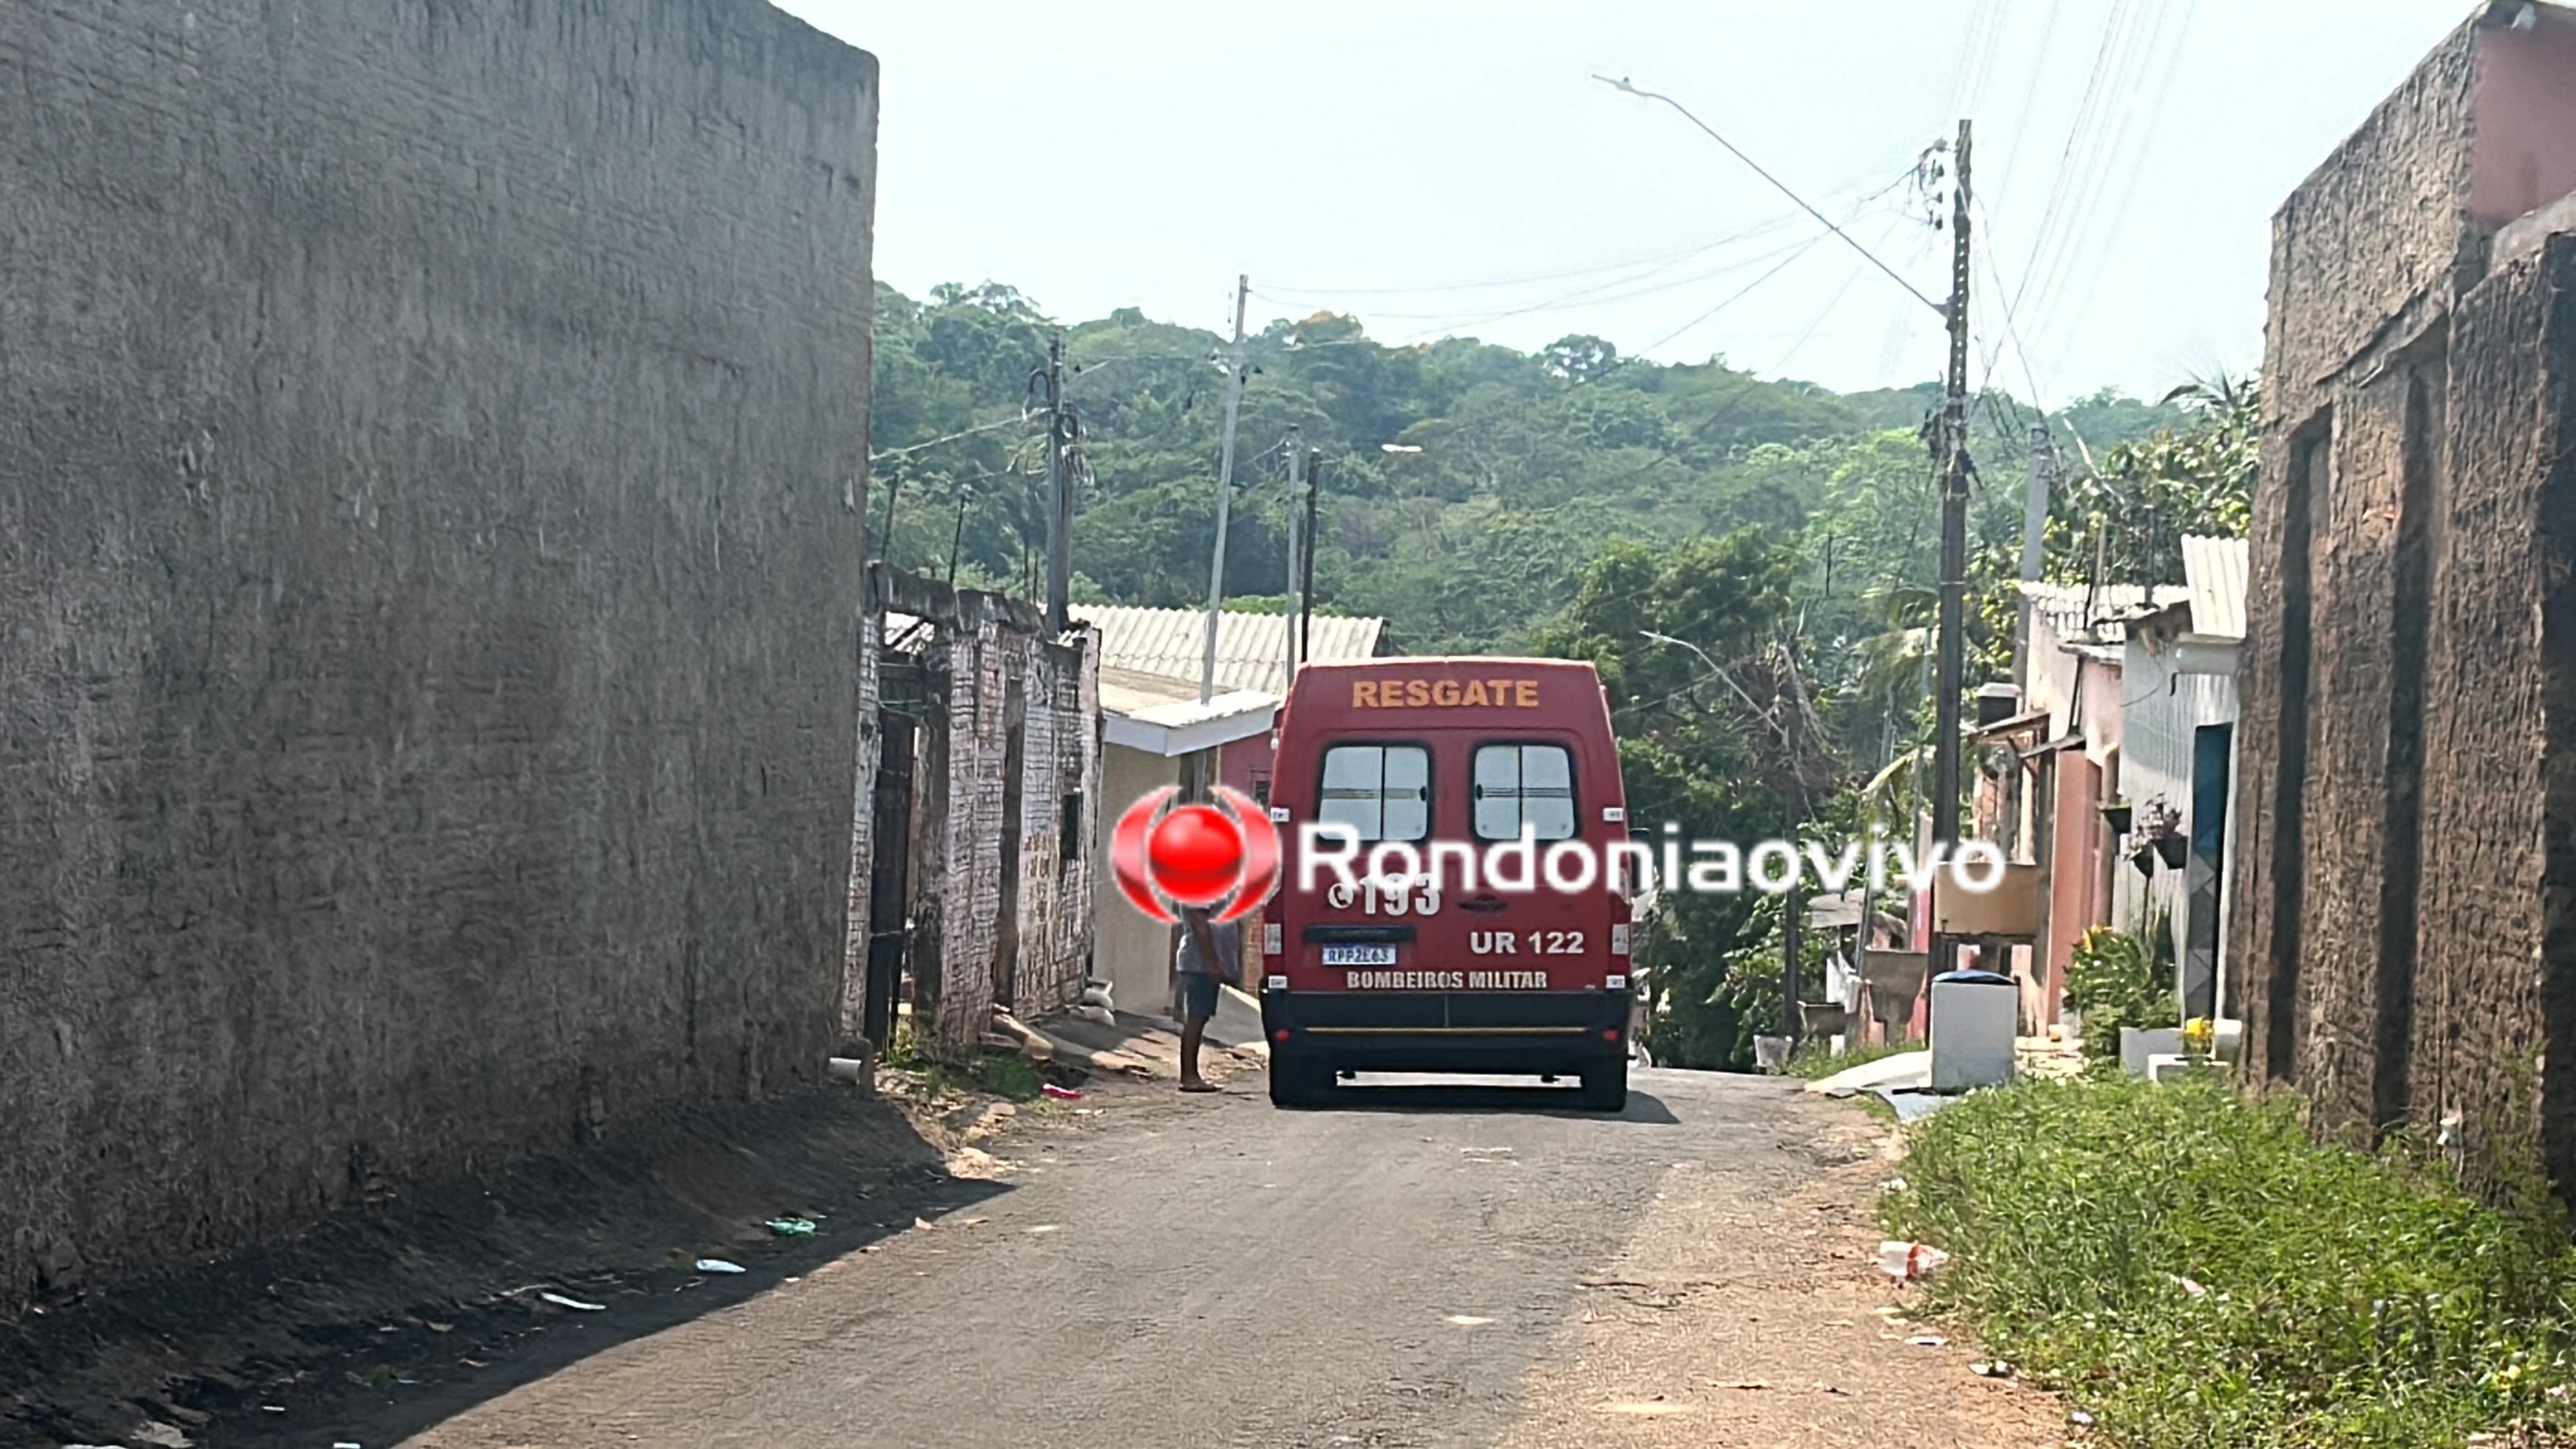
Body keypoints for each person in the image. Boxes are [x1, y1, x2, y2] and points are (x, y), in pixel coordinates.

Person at [1175, 904, 1242, 1093]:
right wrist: (1213, 964)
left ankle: (1191, 1075)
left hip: (1205, 964)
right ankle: (1189, 1077)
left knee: (1200, 1017)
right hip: (1199, 965)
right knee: (1197, 1017)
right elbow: (1199, 925)